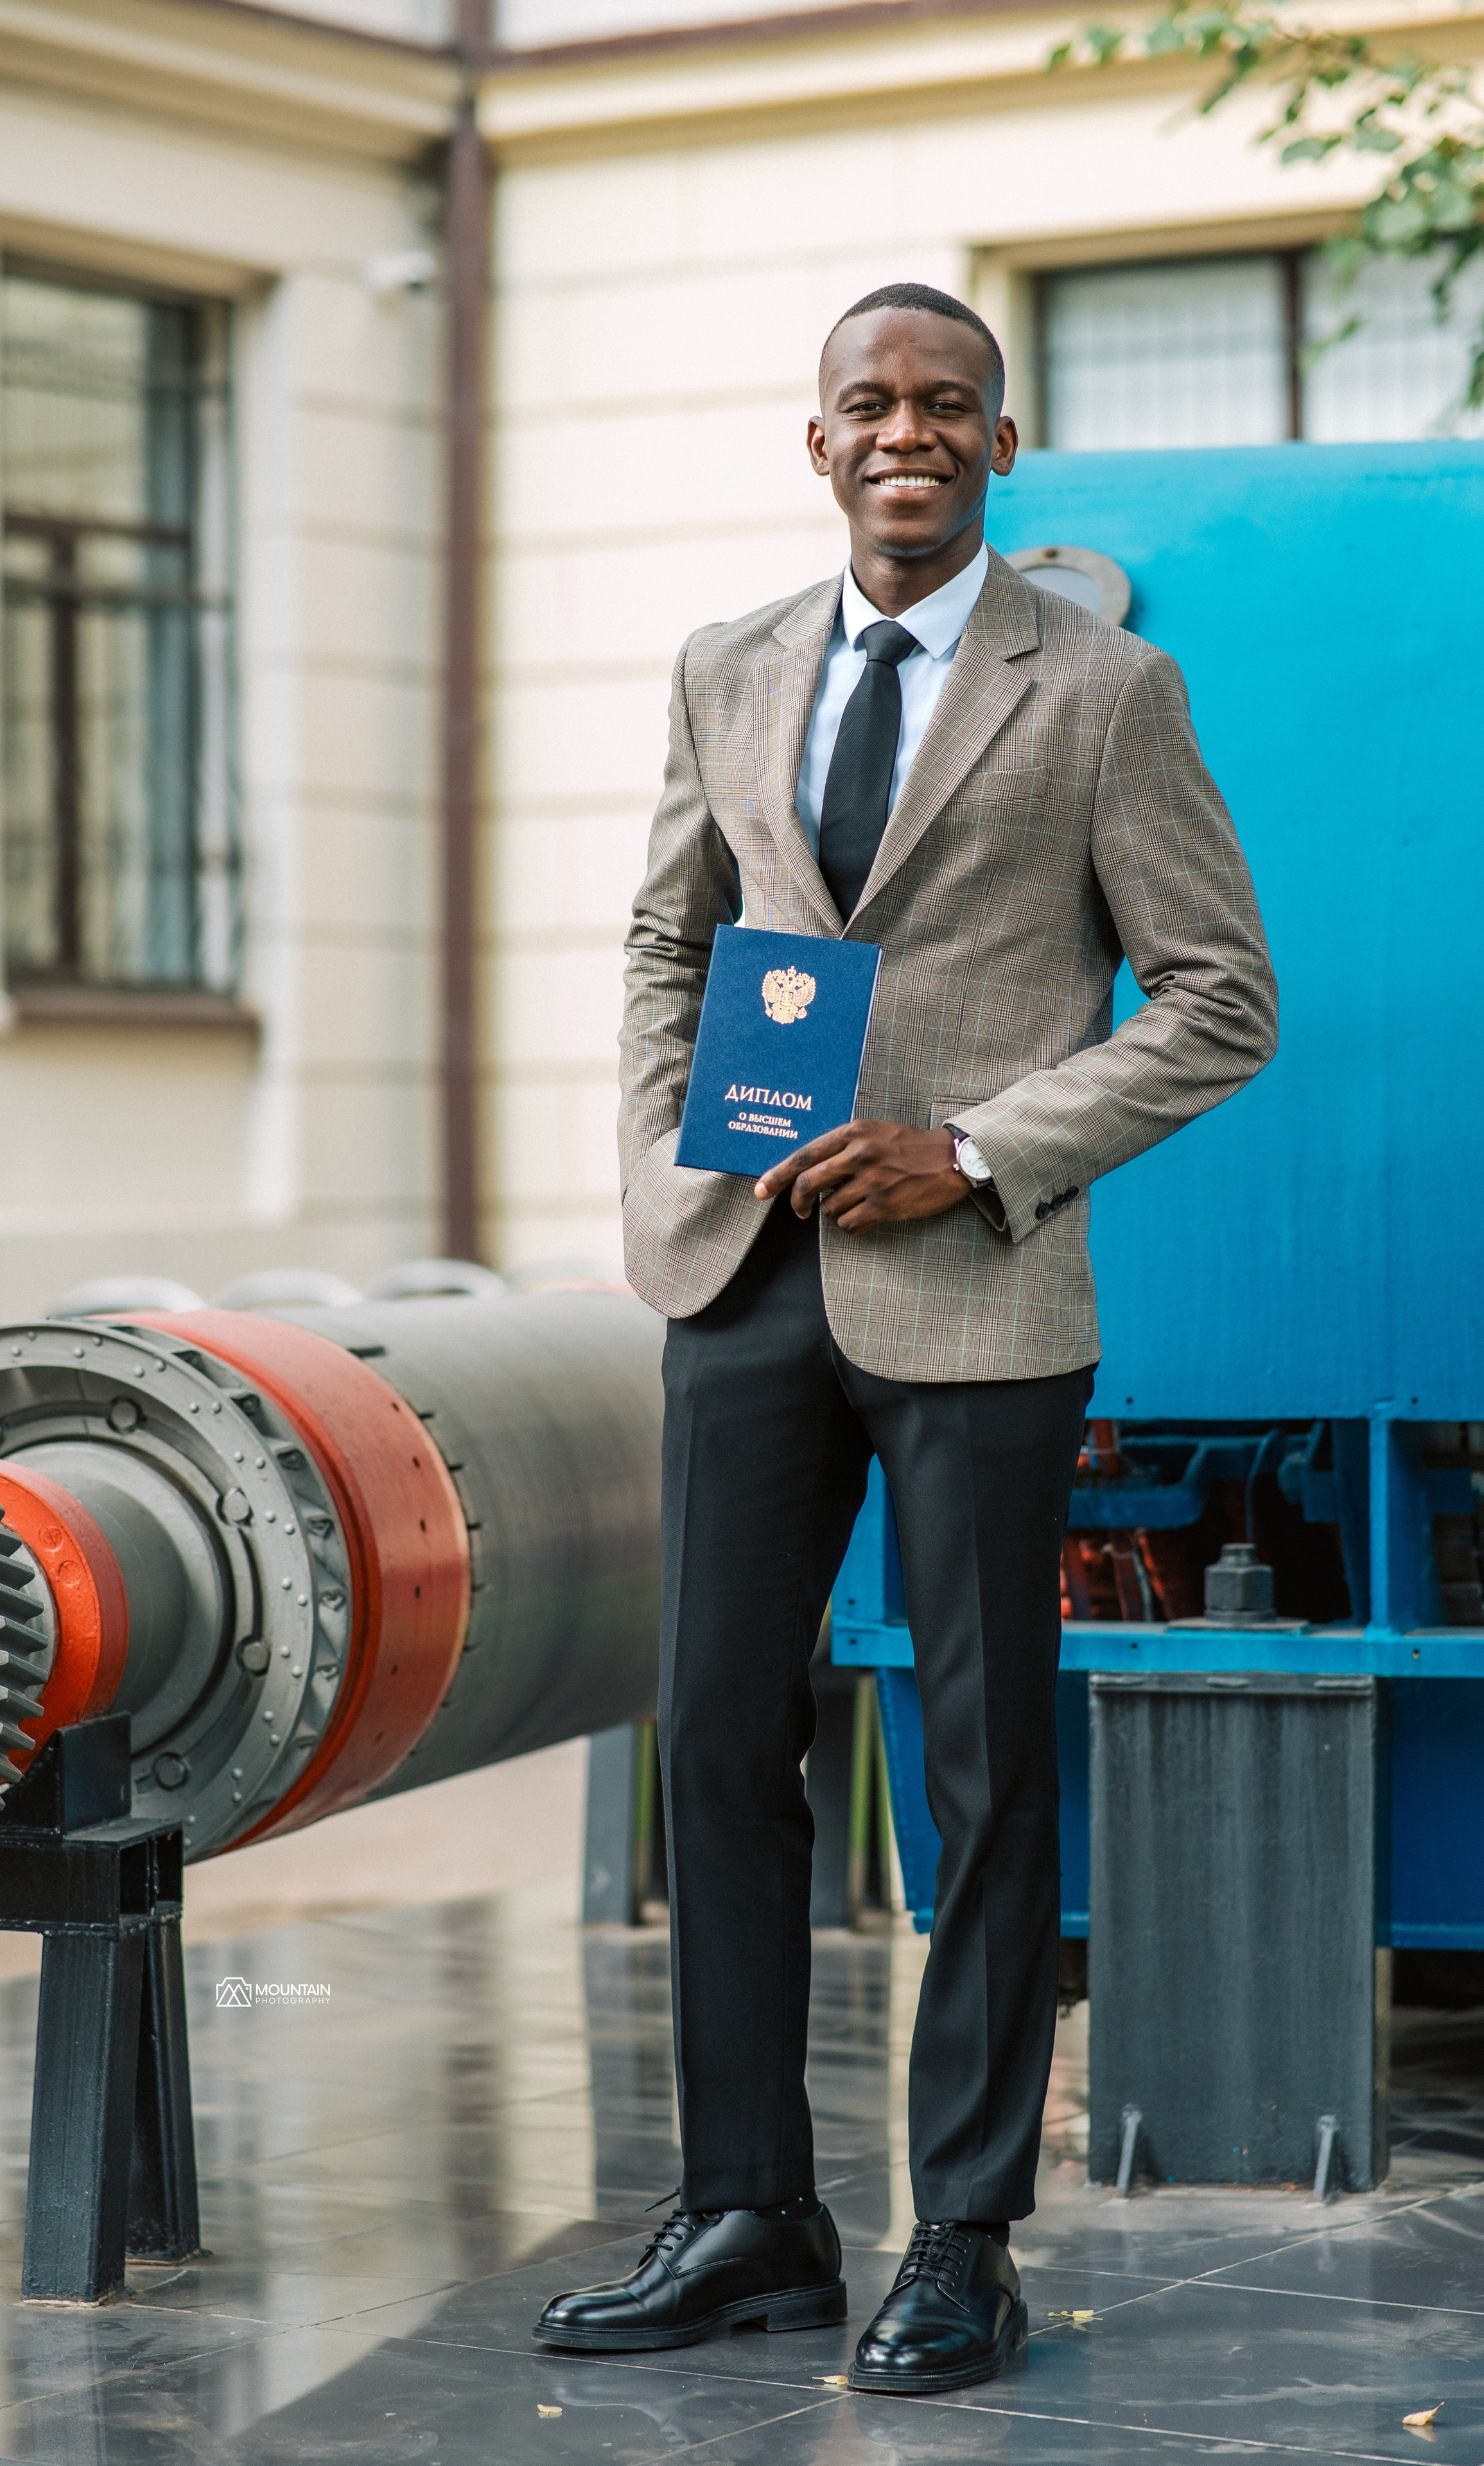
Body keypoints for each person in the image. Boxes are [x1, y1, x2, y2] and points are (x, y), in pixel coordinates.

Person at [535, 281, 1277, 2395]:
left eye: (946, 403)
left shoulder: (1110, 693)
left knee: (978, 1772)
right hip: (744, 1280)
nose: (907, 431)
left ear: (1000, 444)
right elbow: (671, 936)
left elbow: (1222, 998)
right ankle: (753, 2210)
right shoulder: (727, 666)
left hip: (976, 1294)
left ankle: (963, 2234)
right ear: (819, 440)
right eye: (871, 401)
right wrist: (677, 1170)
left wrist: (976, 1147)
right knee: (714, 1747)